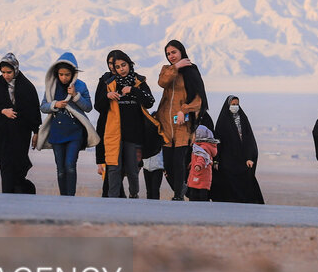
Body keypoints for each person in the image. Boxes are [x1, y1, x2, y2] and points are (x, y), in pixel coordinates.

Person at [94, 50, 160, 199]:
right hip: (114, 133)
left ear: (129, 64)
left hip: (134, 134)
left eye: (123, 65)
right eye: (117, 67)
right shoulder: (110, 84)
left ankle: (133, 195)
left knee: (132, 168)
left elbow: (149, 101)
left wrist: (133, 90)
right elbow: (98, 106)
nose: (121, 69)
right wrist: (107, 96)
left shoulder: (139, 81)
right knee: (113, 167)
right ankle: (113, 199)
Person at [156, 39, 210, 201]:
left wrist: (184, 110)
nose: (171, 56)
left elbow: (199, 99)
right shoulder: (167, 70)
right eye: (168, 54)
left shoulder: (191, 71)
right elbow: (162, 83)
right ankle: (182, 188)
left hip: (183, 125)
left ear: (181, 51)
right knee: (168, 164)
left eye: (174, 52)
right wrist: (176, 67)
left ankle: (178, 195)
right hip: (166, 125)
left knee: (179, 161)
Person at [37, 52, 96, 196]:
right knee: (60, 169)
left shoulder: (81, 86)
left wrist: (76, 96)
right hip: (57, 132)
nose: (64, 77)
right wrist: (54, 104)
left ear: (73, 74)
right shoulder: (51, 86)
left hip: (75, 132)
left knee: (70, 165)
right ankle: (63, 198)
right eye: (61, 74)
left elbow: (88, 107)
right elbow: (43, 106)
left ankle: (71, 198)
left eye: (67, 75)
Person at [0, 53, 41, 194]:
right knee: (6, 166)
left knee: (18, 166)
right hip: (1, 133)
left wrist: (36, 132)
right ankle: (7, 196)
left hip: (20, 134)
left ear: (16, 69)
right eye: (3, 72)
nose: (6, 75)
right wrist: (3, 111)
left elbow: (33, 110)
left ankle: (19, 194)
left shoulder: (27, 86)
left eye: (9, 72)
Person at [212, 95, 264, 204]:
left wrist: (249, 157)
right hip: (227, 159)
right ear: (228, 105)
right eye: (233, 104)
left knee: (247, 180)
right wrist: (216, 160)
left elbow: (249, 140)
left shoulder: (243, 119)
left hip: (242, 158)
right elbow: (218, 142)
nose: (235, 107)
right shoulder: (223, 121)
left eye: (237, 105)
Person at [187, 125, 219, 201]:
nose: (192, 136)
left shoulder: (202, 148)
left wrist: (198, 165)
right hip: (202, 175)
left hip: (200, 174)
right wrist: (192, 163)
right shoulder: (199, 146)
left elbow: (202, 158)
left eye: (194, 134)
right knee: (201, 192)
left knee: (196, 195)